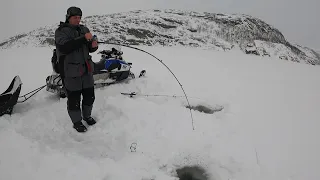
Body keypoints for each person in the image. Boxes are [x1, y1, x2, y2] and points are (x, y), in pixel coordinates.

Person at [54, 6, 99, 133]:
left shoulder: (84, 29)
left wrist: (93, 45)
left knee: (89, 96)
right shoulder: (61, 31)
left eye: (79, 17)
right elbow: (65, 47)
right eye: (75, 17)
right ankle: (77, 122)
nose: (78, 20)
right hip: (71, 71)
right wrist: (84, 38)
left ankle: (87, 116)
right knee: (74, 99)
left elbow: (89, 48)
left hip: (86, 70)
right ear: (68, 17)